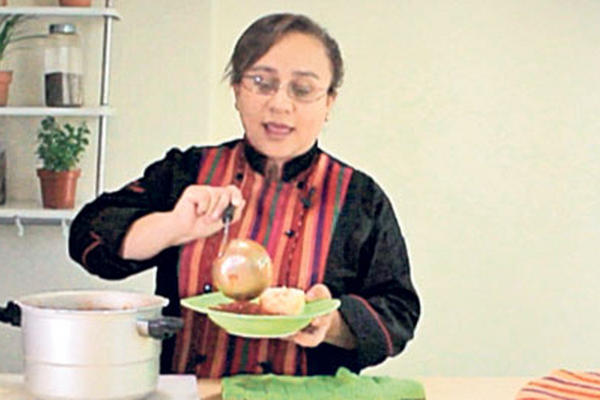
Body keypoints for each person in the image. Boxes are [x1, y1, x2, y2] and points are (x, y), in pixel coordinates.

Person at [68, 13, 420, 378]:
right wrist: (173, 227)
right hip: (193, 390)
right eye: (261, 82)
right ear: (236, 90)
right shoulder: (187, 172)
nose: (280, 105)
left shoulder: (359, 198)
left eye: (302, 89)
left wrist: (331, 323)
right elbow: (86, 238)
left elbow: (398, 311)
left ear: (329, 102)